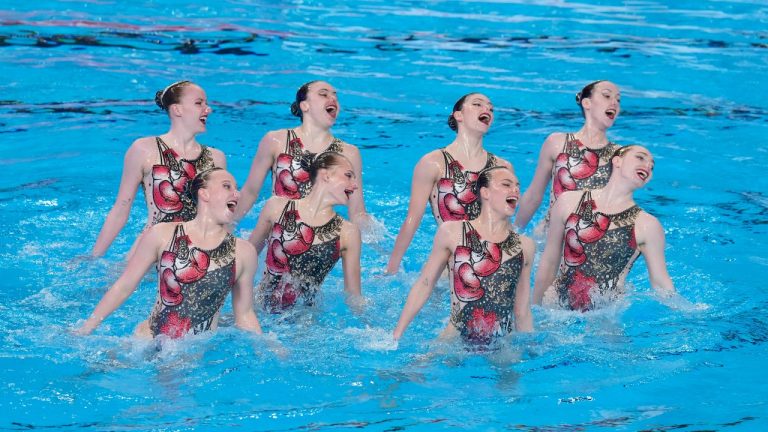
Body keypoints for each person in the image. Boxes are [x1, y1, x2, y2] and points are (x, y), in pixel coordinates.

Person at [78, 168, 263, 338]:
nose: (236, 194)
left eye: (236, 189)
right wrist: (86, 328)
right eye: (226, 186)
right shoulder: (162, 234)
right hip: (147, 339)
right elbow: (124, 285)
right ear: (204, 193)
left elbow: (245, 313)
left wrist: (267, 346)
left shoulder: (243, 252)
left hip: (194, 351)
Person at [393, 167, 534, 344]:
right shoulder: (453, 232)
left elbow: (522, 310)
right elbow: (425, 284)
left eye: (517, 187)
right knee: (413, 370)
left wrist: (530, 346)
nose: (515, 190)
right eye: (506, 185)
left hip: (501, 344)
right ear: (485, 192)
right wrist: (397, 333)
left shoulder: (525, 246)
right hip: (456, 339)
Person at [534, 145, 680, 311]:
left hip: (604, 316)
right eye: (640, 158)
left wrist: (686, 313)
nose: (648, 166)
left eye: (652, 166)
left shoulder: (647, 224)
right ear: (617, 160)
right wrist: (533, 309)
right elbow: (549, 261)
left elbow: (661, 282)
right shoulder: (569, 202)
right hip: (557, 306)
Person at [90, 80, 226, 257]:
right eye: (199, 103)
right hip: (152, 252)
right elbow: (122, 207)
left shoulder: (216, 158)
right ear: (177, 110)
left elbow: (222, 216)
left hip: (198, 253)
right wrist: (94, 257)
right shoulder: (144, 149)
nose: (208, 109)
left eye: (206, 104)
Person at [386, 93, 513, 274]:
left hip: (494, 263)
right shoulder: (433, 163)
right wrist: (392, 268)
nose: (487, 110)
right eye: (477, 104)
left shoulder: (502, 167)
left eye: (491, 108)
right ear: (458, 115)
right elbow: (413, 219)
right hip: (448, 266)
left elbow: (506, 225)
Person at [235, 80, 368, 225]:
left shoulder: (349, 153)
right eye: (323, 94)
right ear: (305, 105)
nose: (333, 98)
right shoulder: (275, 140)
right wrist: (228, 225)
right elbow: (250, 192)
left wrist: (378, 245)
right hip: (278, 233)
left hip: (320, 234)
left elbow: (357, 212)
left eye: (335, 96)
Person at [248, 151, 362, 313]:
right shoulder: (276, 208)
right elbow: (246, 257)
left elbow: (354, 297)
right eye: (349, 175)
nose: (355, 184)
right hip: (258, 310)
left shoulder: (347, 232)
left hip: (302, 324)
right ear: (326, 175)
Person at [515, 80, 622, 230]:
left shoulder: (620, 155)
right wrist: (514, 233)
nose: (614, 103)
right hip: (548, 237)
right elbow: (534, 196)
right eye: (606, 96)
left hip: (589, 243)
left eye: (618, 99)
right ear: (587, 103)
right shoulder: (557, 142)